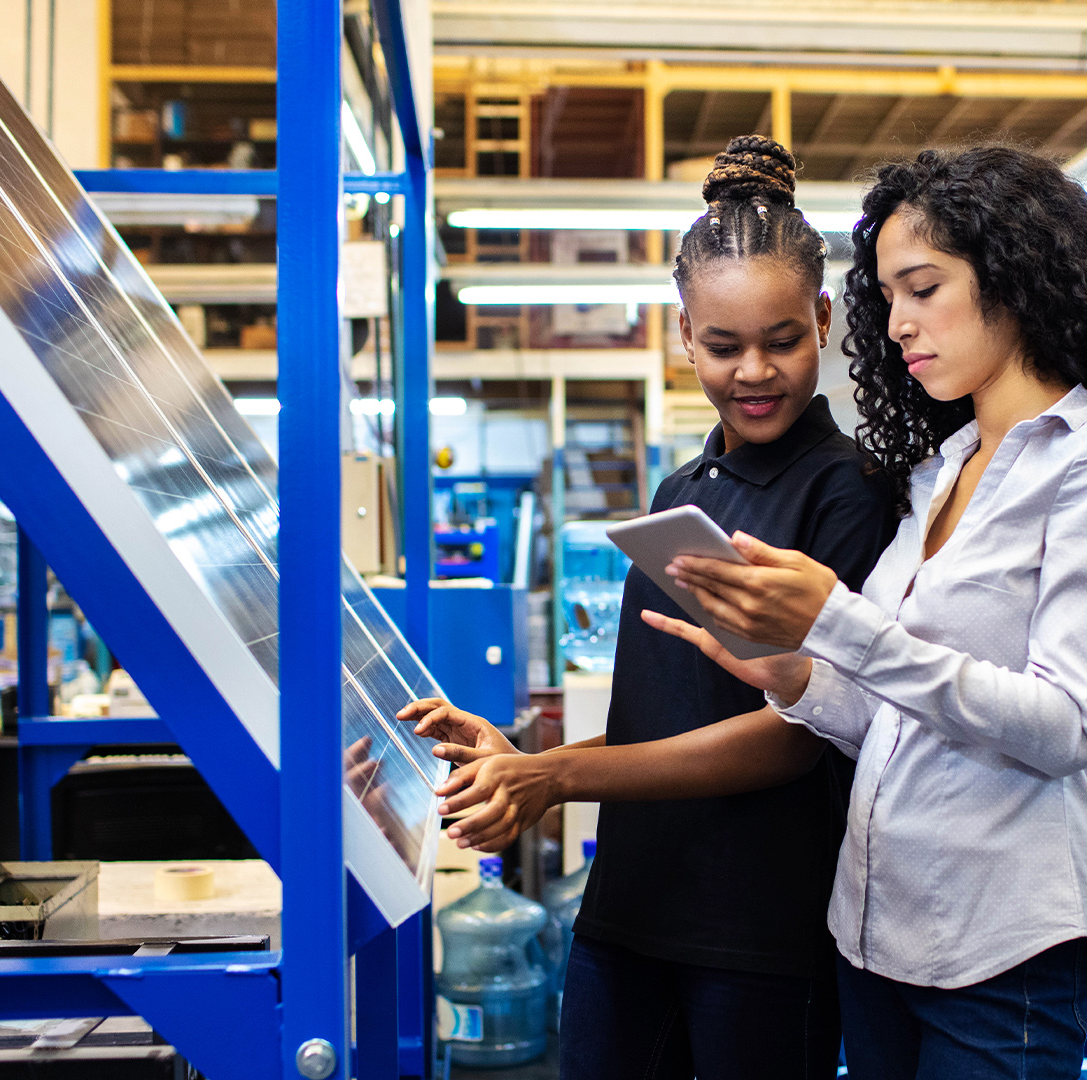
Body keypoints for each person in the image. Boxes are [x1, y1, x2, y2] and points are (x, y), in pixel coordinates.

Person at [645, 146, 1087, 1080]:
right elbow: (891, 716)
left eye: (922, 288)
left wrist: (840, 622)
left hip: (998, 952)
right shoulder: (945, 471)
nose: (896, 323)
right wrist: (793, 670)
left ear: (1012, 276)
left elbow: (1065, 727)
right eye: (887, 297)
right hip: (873, 935)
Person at [398, 136, 897, 1080]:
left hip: (758, 933)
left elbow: (797, 731)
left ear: (825, 320)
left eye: (782, 340)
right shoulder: (683, 489)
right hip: (627, 910)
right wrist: (528, 759)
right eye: (722, 345)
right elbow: (662, 707)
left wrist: (557, 778)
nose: (754, 370)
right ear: (682, 336)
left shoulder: (848, 492)